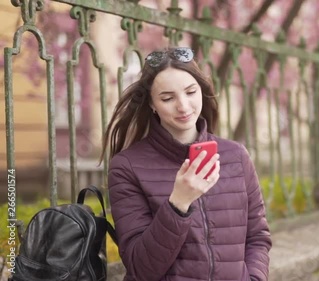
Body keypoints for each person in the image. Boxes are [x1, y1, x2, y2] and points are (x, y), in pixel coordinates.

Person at [101, 47, 272, 281]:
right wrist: (178, 204)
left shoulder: (236, 156)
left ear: (201, 91)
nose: (183, 106)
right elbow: (141, 268)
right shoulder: (127, 167)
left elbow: (257, 237)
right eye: (168, 98)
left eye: (190, 92)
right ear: (152, 104)